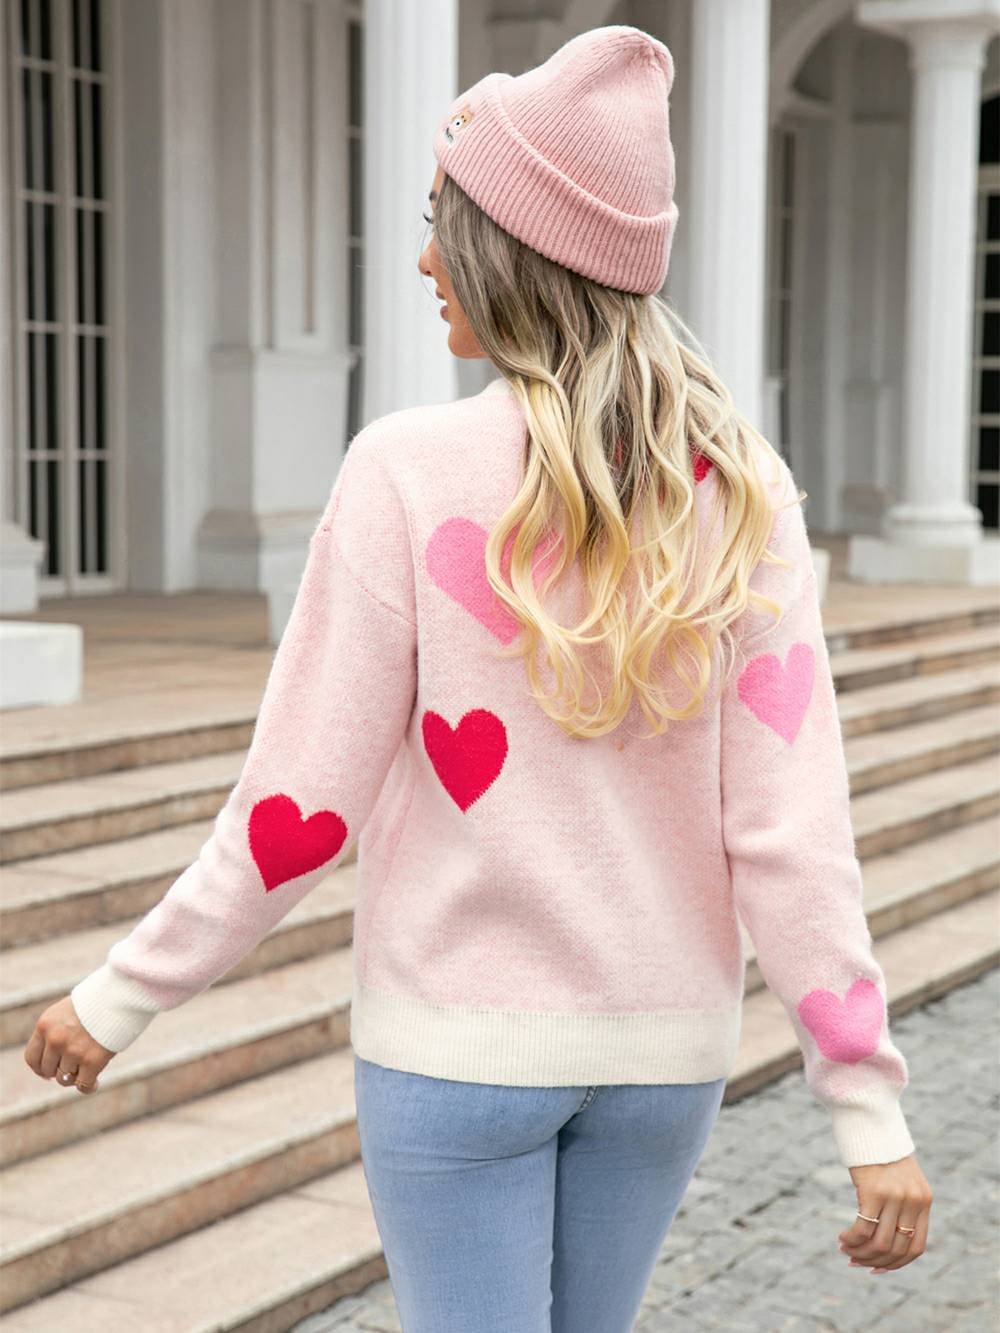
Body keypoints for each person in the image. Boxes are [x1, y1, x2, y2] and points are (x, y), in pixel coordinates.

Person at [24, 23, 932, 1333]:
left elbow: (299, 807)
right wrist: (866, 1110)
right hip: (662, 1062)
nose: (424, 261)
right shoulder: (743, 493)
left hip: (454, 1052)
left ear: (514, 252)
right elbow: (793, 838)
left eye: (441, 226)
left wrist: (123, 992)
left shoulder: (405, 472)